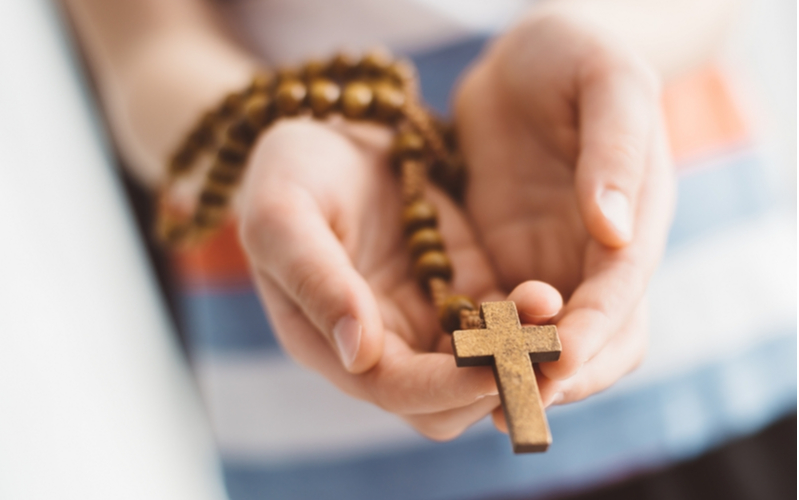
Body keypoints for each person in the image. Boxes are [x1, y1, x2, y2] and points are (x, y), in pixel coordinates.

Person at [61, 0, 796, 499]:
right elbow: (147, 49)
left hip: (719, 347)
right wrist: (274, 132)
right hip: (331, 435)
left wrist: (601, 40)